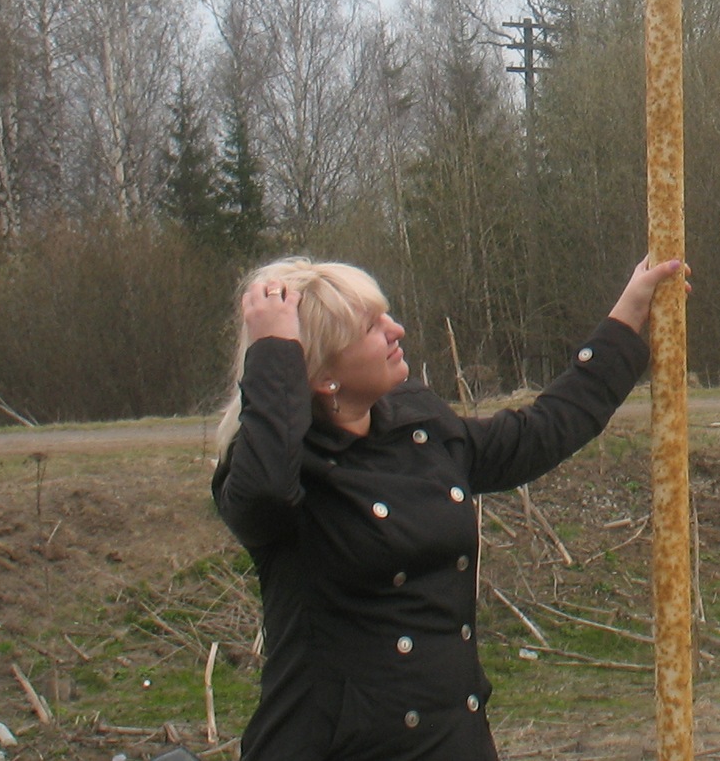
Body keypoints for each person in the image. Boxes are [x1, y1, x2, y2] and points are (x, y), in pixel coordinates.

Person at [212, 254, 687, 761]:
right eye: (371, 327)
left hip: (450, 740)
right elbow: (263, 493)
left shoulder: (417, 426)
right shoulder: (279, 472)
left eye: (385, 314)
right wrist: (273, 352)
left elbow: (539, 433)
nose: (396, 330)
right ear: (323, 374)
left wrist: (627, 316)